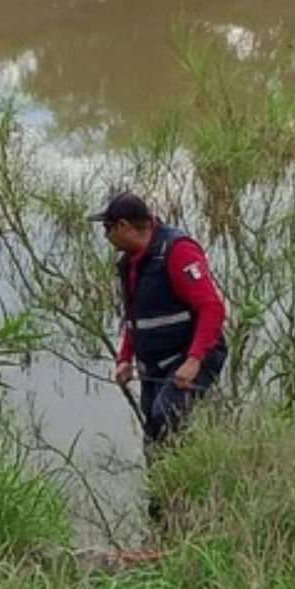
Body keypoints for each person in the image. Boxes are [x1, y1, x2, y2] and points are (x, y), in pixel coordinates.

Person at [95, 191, 229, 449]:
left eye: (107, 227)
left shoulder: (178, 252)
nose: (106, 235)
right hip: (155, 364)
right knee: (155, 428)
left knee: (165, 422)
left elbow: (212, 309)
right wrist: (125, 358)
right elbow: (136, 317)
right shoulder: (131, 263)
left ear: (123, 226)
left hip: (190, 357)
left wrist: (193, 361)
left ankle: (183, 484)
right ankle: (162, 487)